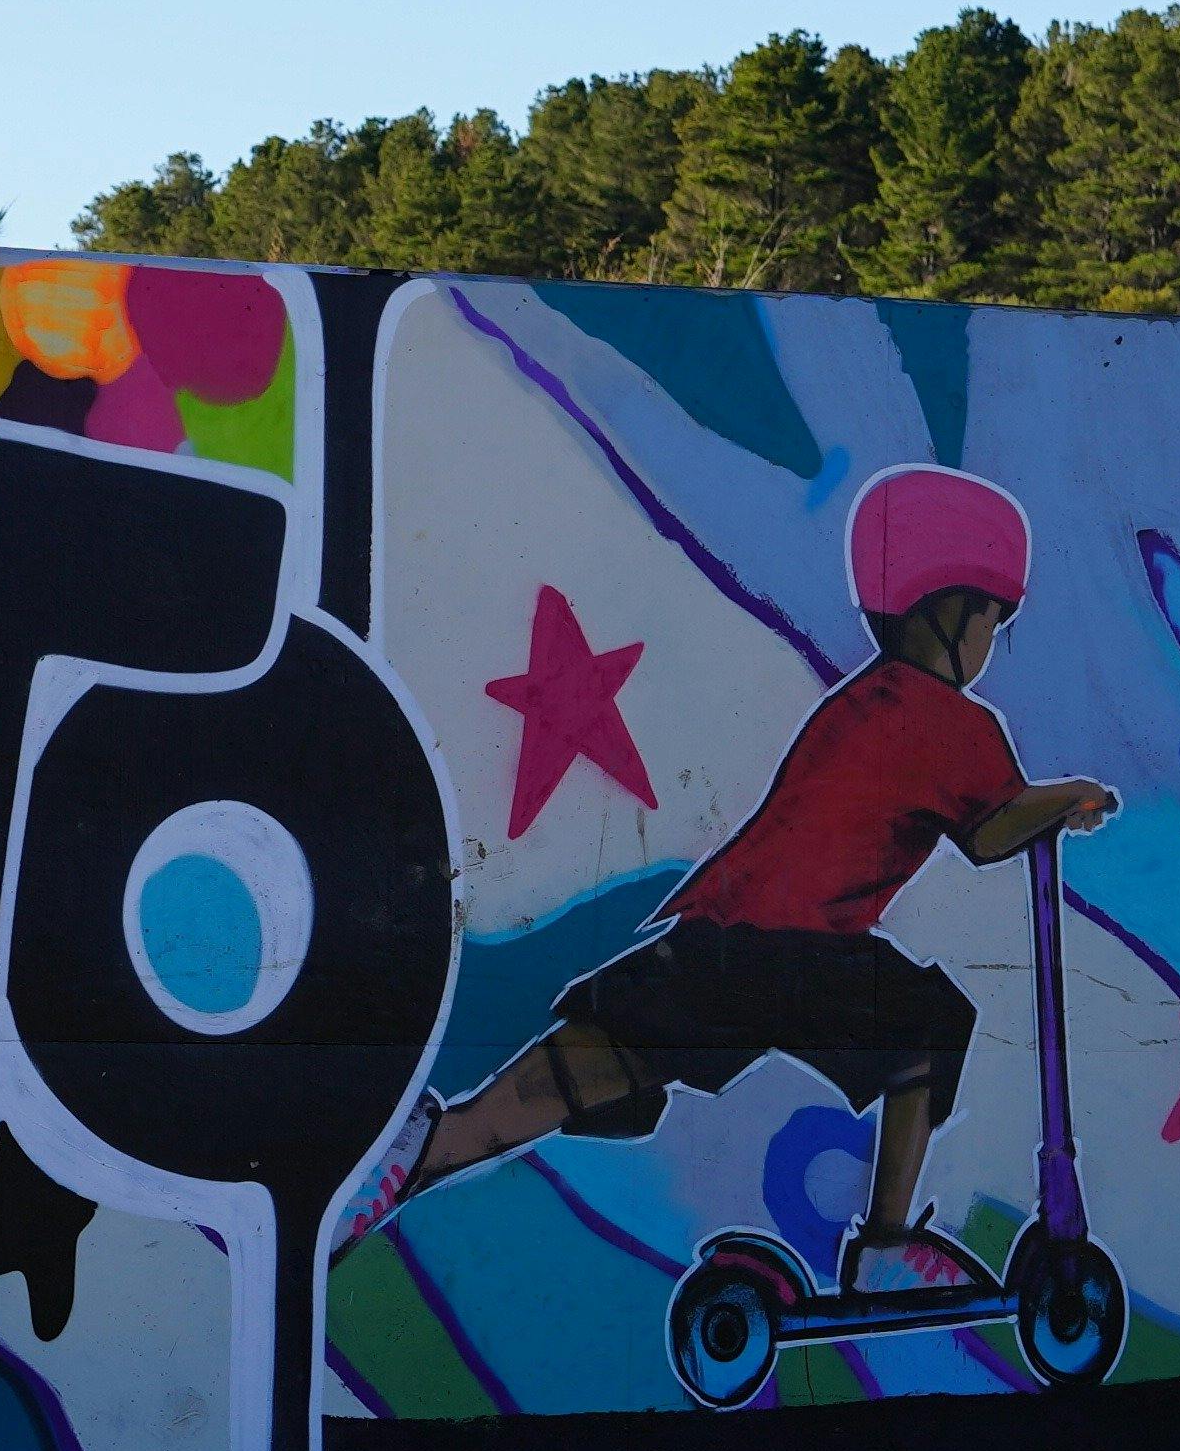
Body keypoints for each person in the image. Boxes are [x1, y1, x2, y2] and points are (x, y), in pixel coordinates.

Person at [352, 465, 1115, 1296]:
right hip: (799, 953)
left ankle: (432, 1144)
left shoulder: (861, 702)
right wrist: (1069, 797)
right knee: (929, 1027)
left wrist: (1041, 805)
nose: (987, 647)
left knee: (595, 1068)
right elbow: (992, 831)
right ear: (949, 608)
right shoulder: (950, 723)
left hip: (720, 937)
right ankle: (886, 1249)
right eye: (990, 624)